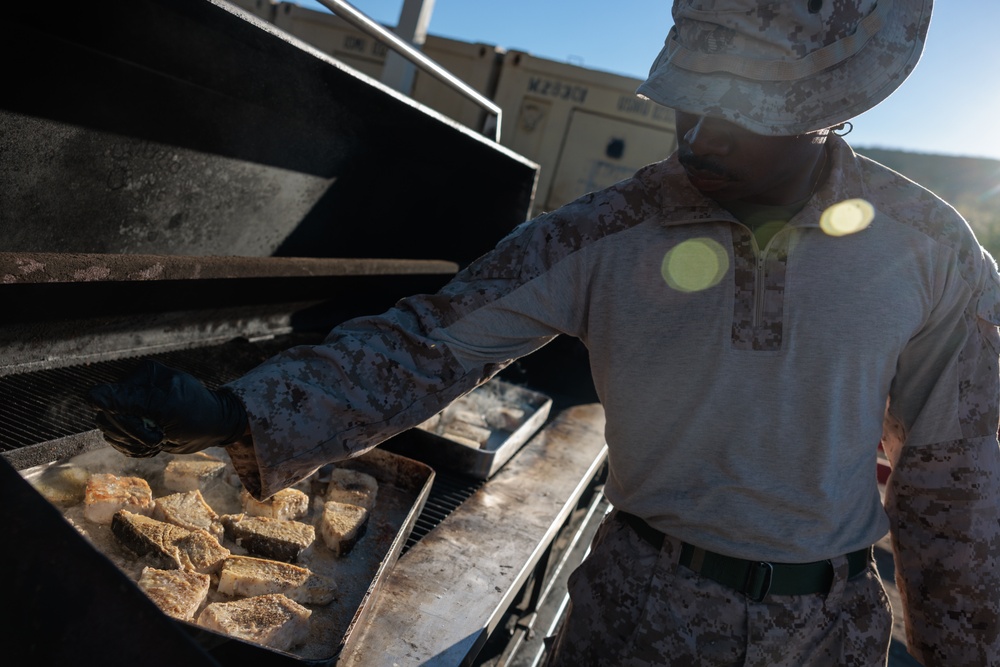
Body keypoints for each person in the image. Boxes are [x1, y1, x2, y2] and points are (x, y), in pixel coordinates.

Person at [88, 0, 1000, 665]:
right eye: (691, 102)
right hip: (640, 619)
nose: (698, 140)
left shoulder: (928, 252)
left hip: (828, 634)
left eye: (740, 116)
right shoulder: (604, 233)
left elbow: (963, 477)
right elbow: (426, 343)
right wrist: (239, 411)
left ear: (823, 112)